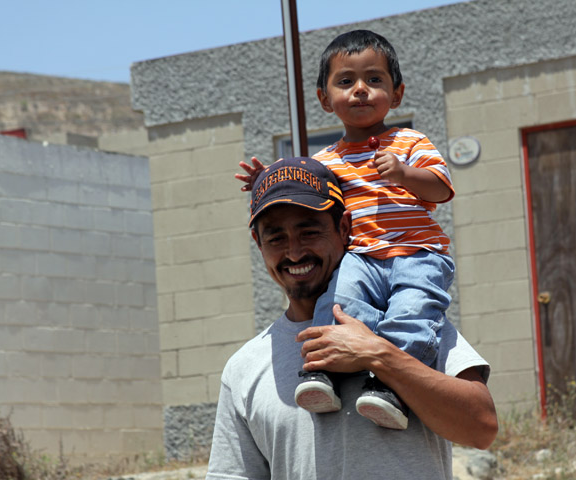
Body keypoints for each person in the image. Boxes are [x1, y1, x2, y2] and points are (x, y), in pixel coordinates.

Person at [208, 157, 497, 480]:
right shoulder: (244, 368)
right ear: (258, 244)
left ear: (344, 229)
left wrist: (380, 355)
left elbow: (481, 428)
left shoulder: (411, 324)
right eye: (276, 238)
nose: (294, 252)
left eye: (309, 232)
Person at [236, 30, 456, 430]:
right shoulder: (326, 161)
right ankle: (321, 372)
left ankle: (390, 388)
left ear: (397, 93)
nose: (360, 89)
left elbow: (441, 188)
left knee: (412, 312)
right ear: (325, 99)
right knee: (337, 303)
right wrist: (265, 179)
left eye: (374, 79)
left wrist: (405, 174)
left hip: (417, 254)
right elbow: (301, 187)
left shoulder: (409, 142)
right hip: (360, 256)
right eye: (345, 81)